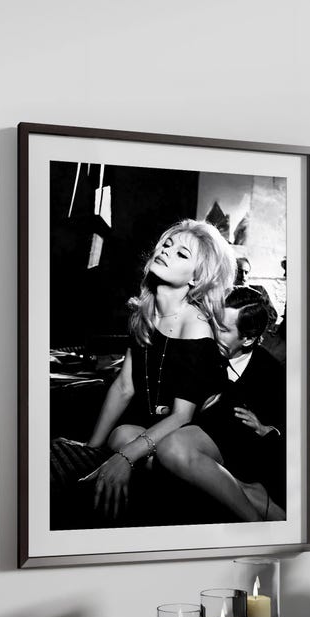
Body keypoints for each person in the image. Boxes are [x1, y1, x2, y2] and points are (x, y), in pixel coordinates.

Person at [80, 219, 236, 518]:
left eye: (182, 254)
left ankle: (253, 511)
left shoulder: (195, 324)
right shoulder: (145, 311)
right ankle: (219, 492)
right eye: (167, 244)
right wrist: (91, 450)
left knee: (156, 449)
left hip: (212, 430)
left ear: (197, 277)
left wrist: (124, 459)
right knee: (121, 435)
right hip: (170, 427)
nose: (166, 251)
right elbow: (125, 386)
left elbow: (182, 415)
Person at [156, 286, 286, 521]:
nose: (213, 332)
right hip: (197, 441)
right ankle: (246, 493)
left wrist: (268, 430)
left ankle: (255, 522)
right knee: (123, 436)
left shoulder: (271, 372)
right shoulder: (200, 350)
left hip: (245, 454)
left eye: (223, 329)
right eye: (213, 322)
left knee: (173, 449)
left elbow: (295, 431)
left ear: (248, 339)